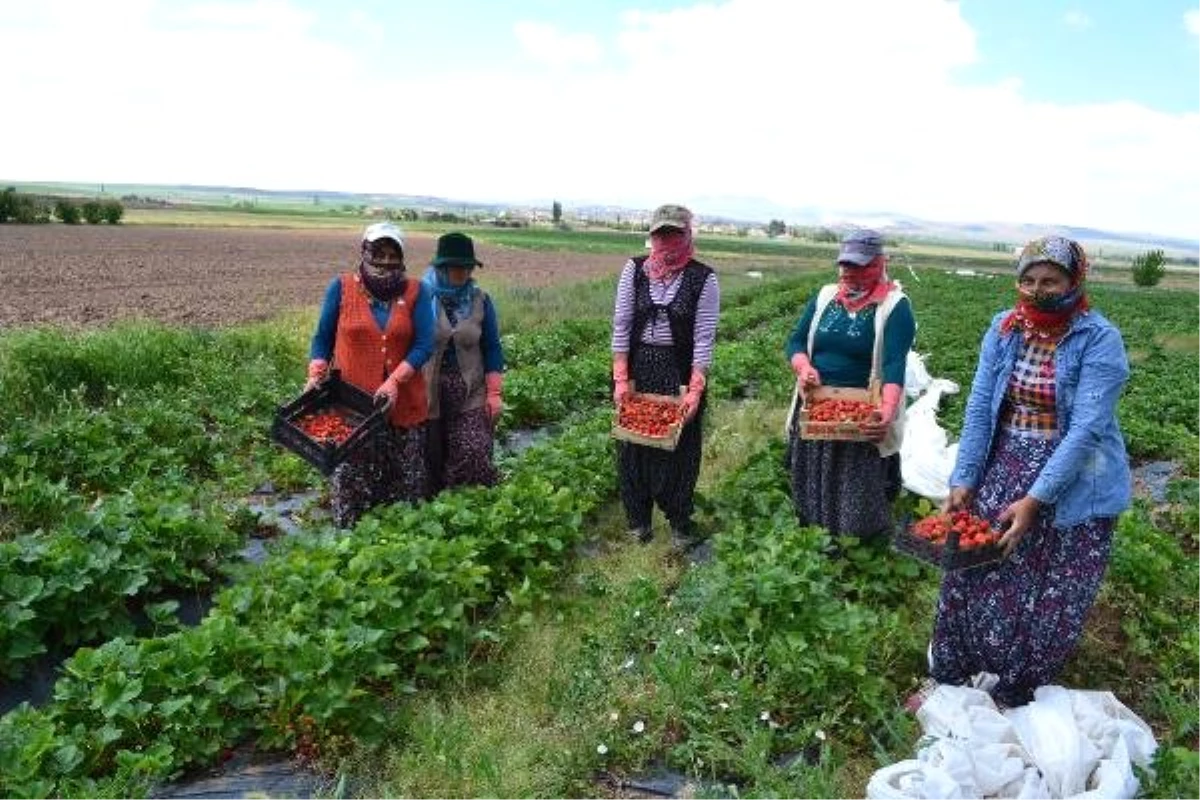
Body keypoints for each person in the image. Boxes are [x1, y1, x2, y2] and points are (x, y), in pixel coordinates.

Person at [924, 235, 1132, 708]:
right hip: (1006, 463)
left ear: (1074, 281)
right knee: (975, 566)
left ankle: (1017, 687)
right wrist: (964, 477)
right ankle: (953, 675)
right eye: (1029, 280)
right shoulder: (1005, 329)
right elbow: (979, 407)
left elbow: (1085, 431)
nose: (1039, 290)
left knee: (1050, 587)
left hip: (1074, 479)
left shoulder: (1099, 339)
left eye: (1051, 280)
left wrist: (1037, 499)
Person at [783, 228, 916, 538]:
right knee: (812, 483)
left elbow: (895, 363)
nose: (850, 272)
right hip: (818, 405)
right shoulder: (826, 296)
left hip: (862, 410)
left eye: (859, 266)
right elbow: (796, 341)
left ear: (879, 263)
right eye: (846, 265)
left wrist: (886, 409)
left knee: (856, 490)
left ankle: (858, 550)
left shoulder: (895, 306)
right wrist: (803, 367)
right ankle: (816, 542)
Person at [305, 221, 434, 527]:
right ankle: (350, 547)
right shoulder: (341, 288)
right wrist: (316, 372)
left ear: (402, 257)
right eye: (378, 252)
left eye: (393, 253)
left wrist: (394, 380)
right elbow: (322, 338)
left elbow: (425, 343)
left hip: (403, 404)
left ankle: (396, 552)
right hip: (352, 406)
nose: (386, 261)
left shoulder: (417, 291)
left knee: (403, 482)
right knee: (353, 480)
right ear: (364, 251)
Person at [611, 204, 720, 550]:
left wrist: (695, 391)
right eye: (661, 233)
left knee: (680, 450)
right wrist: (620, 378)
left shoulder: (703, 278)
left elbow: (704, 339)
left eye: (674, 233)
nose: (667, 241)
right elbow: (622, 325)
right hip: (639, 369)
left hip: (680, 371)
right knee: (633, 446)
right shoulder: (635, 270)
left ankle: (679, 524)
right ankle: (638, 522)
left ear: (687, 234)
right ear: (652, 235)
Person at [421, 232, 506, 493]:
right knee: (429, 455)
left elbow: (492, 347)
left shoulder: (480, 300)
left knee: (473, 450)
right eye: (458, 267)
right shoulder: (420, 298)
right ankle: (434, 505)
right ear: (442, 267)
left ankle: (463, 502)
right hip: (427, 391)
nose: (464, 273)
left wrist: (494, 393)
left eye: (468, 267)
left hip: (470, 389)